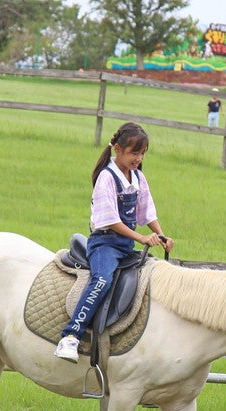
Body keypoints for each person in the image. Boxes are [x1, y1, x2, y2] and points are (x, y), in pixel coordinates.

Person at [55, 122, 174, 362]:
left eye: (142, 153)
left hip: (125, 246)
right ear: (118, 149)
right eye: (134, 152)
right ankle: (70, 336)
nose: (138, 158)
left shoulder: (138, 177)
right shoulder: (106, 178)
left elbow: (146, 212)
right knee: (102, 281)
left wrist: (161, 235)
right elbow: (109, 220)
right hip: (105, 243)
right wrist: (142, 237)